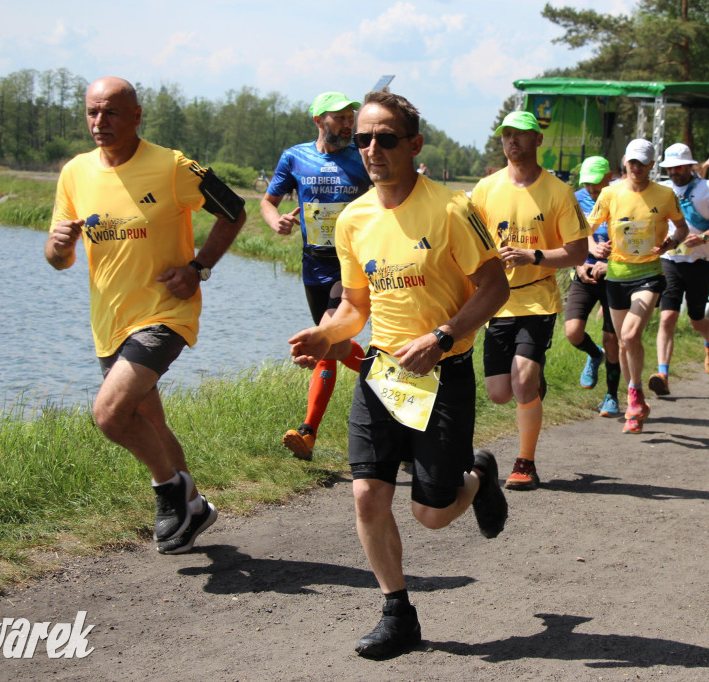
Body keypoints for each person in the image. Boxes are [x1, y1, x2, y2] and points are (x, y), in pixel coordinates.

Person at [288, 91, 510, 659]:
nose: (371, 149)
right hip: (383, 375)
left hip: (445, 373)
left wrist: (440, 339)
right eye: (361, 138)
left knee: (431, 514)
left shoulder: (451, 210)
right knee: (367, 493)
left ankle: (478, 475)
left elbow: (494, 287)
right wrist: (327, 335)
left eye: (385, 138)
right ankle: (397, 612)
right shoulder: (355, 218)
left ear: (413, 145)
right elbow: (356, 307)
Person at [45, 77, 246, 554]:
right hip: (109, 320)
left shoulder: (172, 166)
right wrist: (58, 248)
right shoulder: (75, 172)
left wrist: (199, 267)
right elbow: (59, 259)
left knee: (110, 414)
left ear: (136, 116)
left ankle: (168, 491)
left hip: (164, 314)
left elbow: (234, 211)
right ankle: (193, 507)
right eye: (93, 112)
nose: (100, 122)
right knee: (149, 421)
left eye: (112, 112)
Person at [472, 111, 589, 489]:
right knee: (500, 393)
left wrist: (534, 256)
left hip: (538, 299)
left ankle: (525, 463)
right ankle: (533, 384)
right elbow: (467, 242)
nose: (513, 142)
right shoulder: (485, 190)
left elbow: (577, 252)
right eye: (507, 135)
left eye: (521, 135)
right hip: (496, 301)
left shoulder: (558, 191)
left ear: (538, 141)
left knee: (521, 380)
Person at [261, 92, 372, 460]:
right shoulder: (295, 156)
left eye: (349, 116)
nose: (347, 123)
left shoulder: (363, 157)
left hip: (353, 263)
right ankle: (391, 379)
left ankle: (308, 432)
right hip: (315, 266)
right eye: (339, 117)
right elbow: (268, 201)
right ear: (318, 121)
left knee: (325, 338)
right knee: (338, 347)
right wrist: (275, 220)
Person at [587, 139, 688, 434]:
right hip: (617, 275)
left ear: (652, 165)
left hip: (649, 273)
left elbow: (681, 227)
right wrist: (594, 247)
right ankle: (639, 399)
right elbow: (587, 229)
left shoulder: (665, 194)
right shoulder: (609, 193)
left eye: (643, 162)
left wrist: (671, 242)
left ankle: (633, 395)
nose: (637, 167)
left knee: (630, 335)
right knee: (624, 342)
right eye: (632, 162)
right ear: (624, 162)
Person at [647, 143, 709, 397]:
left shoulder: (708, 189)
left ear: (690, 165)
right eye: (669, 168)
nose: (674, 172)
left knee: (695, 320)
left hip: (699, 262)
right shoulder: (663, 190)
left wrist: (704, 238)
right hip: (671, 260)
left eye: (678, 167)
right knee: (667, 317)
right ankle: (663, 374)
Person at [564, 156, 621, 417]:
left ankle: (612, 395)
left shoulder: (623, 196)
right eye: (587, 185)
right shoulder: (576, 198)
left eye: (597, 185)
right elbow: (570, 235)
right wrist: (579, 264)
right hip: (585, 272)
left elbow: (637, 240)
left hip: (617, 275)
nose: (592, 190)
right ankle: (593, 354)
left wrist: (612, 258)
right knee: (573, 331)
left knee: (612, 339)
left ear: (610, 177)